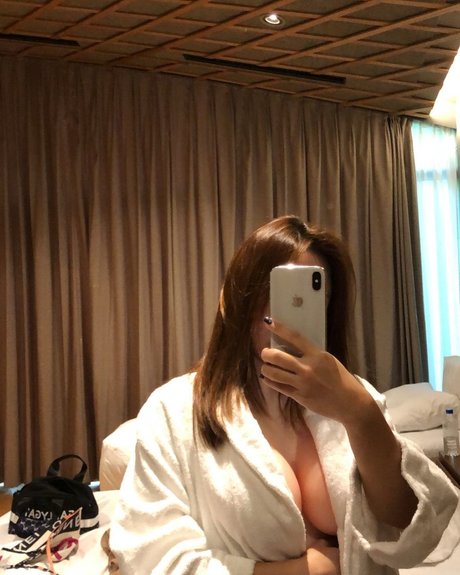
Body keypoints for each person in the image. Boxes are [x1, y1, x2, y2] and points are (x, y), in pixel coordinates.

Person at [109, 215, 459, 575]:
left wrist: (361, 414)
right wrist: (305, 572)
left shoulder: (355, 398)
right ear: (230, 301)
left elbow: (410, 525)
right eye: (273, 294)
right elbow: (151, 555)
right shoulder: (174, 410)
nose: (286, 317)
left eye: (311, 298)